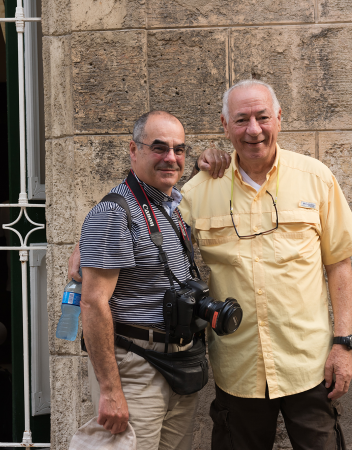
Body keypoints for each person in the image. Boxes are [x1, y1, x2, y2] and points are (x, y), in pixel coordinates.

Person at [179, 79, 352, 450]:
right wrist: (89, 243)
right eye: (241, 120)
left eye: (262, 117)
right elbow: (149, 235)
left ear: (279, 118)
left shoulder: (315, 178)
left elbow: (339, 266)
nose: (254, 130)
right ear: (225, 125)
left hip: (309, 365)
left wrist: (342, 345)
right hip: (238, 368)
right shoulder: (198, 190)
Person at [76, 110, 228, 450]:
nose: (170, 158)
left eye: (179, 149)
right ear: (134, 150)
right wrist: (110, 390)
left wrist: (207, 164)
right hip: (135, 369)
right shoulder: (114, 212)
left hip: (180, 363)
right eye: (159, 148)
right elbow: (93, 302)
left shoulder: (172, 205)